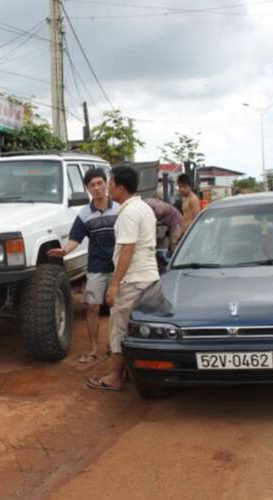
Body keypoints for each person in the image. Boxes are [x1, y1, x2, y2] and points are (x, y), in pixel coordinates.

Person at [85, 166, 159, 391]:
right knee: (141, 327)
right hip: (149, 276)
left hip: (133, 280)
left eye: (110, 183)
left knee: (119, 327)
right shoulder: (143, 207)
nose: (107, 187)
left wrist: (115, 284)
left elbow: (127, 249)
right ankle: (132, 371)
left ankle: (115, 376)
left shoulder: (128, 212)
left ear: (120, 187)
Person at [48, 168, 119, 363]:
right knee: (92, 308)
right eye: (92, 185)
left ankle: (116, 347)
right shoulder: (84, 213)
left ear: (106, 184)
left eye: (99, 183)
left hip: (118, 267)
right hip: (96, 266)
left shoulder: (120, 209)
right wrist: (65, 251)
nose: (97, 188)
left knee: (118, 308)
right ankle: (94, 349)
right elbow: (75, 238)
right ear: (87, 189)